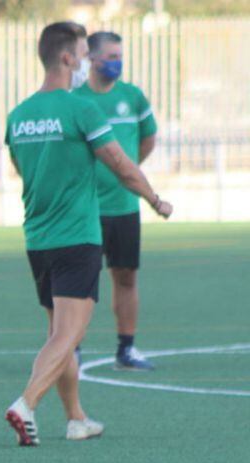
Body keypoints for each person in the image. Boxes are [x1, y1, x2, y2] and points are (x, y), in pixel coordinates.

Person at [3, 22, 173, 446]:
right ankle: (26, 403)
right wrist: (155, 200)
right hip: (77, 236)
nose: (85, 62)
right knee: (69, 335)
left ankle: (76, 418)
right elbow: (119, 163)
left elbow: (22, 169)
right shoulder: (81, 109)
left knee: (58, 334)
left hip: (37, 237)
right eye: (82, 53)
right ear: (66, 58)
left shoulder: (18, 115)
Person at [74, 31, 160, 370]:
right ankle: (72, 347)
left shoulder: (132, 97)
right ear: (91, 59)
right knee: (79, 282)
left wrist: (127, 171)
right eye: (110, 57)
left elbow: (148, 139)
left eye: (119, 56)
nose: (117, 63)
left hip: (124, 206)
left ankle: (126, 349)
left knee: (126, 277)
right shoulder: (76, 100)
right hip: (85, 209)